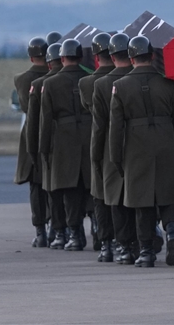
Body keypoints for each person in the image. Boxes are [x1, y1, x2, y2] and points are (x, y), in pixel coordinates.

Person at [109, 36, 174, 267]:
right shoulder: (169, 83)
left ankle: (147, 252)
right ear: (152, 56)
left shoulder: (120, 87)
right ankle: (172, 232)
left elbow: (116, 128)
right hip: (165, 143)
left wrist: (117, 158)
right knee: (169, 196)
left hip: (136, 147)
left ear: (131, 58)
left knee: (142, 202)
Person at [40, 39, 93, 252]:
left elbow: (46, 120)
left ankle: (75, 234)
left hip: (63, 139)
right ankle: (98, 231)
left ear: (62, 58)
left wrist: (44, 149)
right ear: (80, 57)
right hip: (89, 135)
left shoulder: (50, 83)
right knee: (91, 188)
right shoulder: (90, 79)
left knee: (69, 190)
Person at [90, 33, 138, 264]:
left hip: (112, 145)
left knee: (109, 198)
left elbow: (99, 126)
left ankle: (115, 246)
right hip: (138, 146)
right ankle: (139, 244)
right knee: (136, 197)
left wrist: (96, 154)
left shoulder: (98, 84)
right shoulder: (140, 78)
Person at [79, 33, 116, 261]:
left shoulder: (87, 83)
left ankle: (106, 244)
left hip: (102, 143)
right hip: (130, 143)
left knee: (101, 196)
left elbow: (89, 109)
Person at [13, 37, 51, 245]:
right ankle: (57, 226)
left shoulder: (21, 79)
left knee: (36, 185)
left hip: (31, 132)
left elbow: (23, 106)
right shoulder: (54, 76)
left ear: (30, 57)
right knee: (54, 183)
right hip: (53, 131)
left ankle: (40, 230)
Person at [29, 43, 65, 247]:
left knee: (45, 188)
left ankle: (48, 231)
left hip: (50, 142)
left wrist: (37, 150)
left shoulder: (38, 83)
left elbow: (36, 121)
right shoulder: (86, 81)